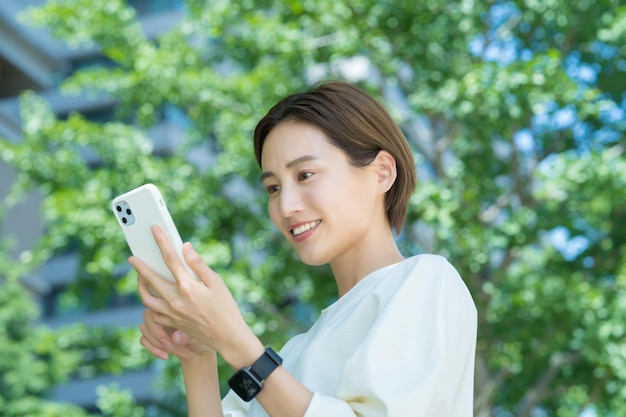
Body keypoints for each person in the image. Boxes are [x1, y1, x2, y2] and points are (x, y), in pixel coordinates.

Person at [130, 80, 477, 417]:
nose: (286, 206)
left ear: (381, 173)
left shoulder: (426, 281)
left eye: (305, 174)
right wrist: (198, 357)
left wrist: (236, 341)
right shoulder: (294, 353)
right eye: (273, 188)